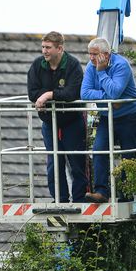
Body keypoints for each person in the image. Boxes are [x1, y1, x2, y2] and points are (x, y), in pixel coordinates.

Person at [27, 31, 89, 203]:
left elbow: (72, 92)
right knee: (54, 162)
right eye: (43, 47)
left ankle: (79, 198)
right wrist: (51, 95)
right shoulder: (38, 65)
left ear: (59, 48)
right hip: (49, 122)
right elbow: (32, 93)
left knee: (76, 161)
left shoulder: (73, 65)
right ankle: (59, 199)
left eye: (48, 47)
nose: (44, 51)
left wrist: (49, 95)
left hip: (72, 121)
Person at [80, 37, 136, 203]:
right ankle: (101, 192)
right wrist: (106, 99)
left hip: (129, 117)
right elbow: (84, 93)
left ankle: (126, 193)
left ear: (106, 55)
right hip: (107, 116)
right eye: (90, 54)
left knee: (128, 154)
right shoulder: (91, 67)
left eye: (95, 54)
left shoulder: (121, 65)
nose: (91, 58)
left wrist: (101, 72)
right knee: (99, 150)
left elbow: (115, 92)